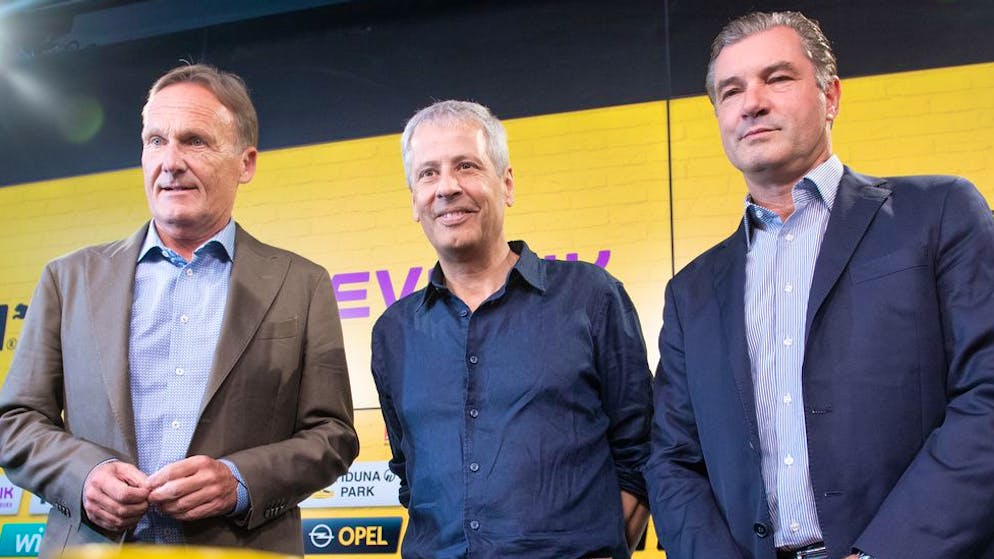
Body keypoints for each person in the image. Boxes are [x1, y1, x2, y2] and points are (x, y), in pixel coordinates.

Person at [644, 10, 994, 559]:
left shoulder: (940, 213)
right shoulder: (691, 292)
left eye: (777, 78)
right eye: (730, 91)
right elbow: (672, 460)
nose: (751, 102)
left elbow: (987, 394)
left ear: (830, 96)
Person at [0, 64, 359, 558]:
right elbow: (17, 421)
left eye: (194, 141)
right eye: (155, 141)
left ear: (246, 163)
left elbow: (333, 436)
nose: (170, 162)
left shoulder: (303, 284)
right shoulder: (69, 279)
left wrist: (239, 482)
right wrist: (85, 477)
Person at [371, 100, 652, 559]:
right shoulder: (393, 332)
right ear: (414, 201)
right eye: (428, 173)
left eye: (466, 166)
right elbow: (409, 473)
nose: (446, 188)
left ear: (506, 184)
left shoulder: (590, 296)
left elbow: (639, 449)